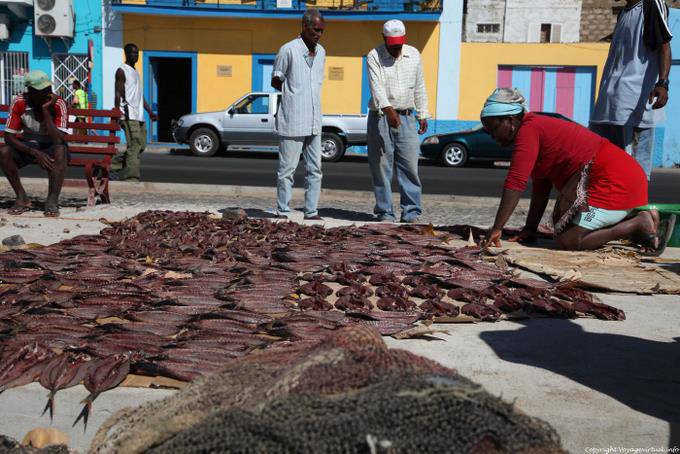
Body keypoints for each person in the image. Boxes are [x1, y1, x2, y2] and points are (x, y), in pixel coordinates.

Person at [480, 88, 674, 255]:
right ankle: (633, 216)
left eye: (494, 128)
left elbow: (515, 182)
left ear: (511, 119)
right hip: (619, 175)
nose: (492, 136)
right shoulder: (535, 127)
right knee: (562, 228)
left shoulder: (529, 130)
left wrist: (497, 228)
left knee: (570, 240)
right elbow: (541, 187)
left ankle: (636, 224)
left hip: (614, 180)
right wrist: (530, 228)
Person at [590, 0, 672, 180]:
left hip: (635, 100)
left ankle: (637, 205)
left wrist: (663, 83)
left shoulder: (651, 5)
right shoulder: (623, 13)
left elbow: (664, 47)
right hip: (609, 101)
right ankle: (613, 205)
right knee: (606, 162)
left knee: (634, 165)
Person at [366, 19, 429, 223]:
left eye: (399, 43)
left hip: (408, 116)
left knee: (409, 166)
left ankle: (411, 211)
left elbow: (419, 86)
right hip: (382, 117)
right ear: (384, 38)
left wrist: (422, 114)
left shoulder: (414, 55)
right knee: (381, 166)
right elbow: (377, 88)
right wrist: (389, 110)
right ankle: (385, 212)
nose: (396, 47)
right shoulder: (374, 56)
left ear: (404, 39)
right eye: (392, 43)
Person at [271, 9, 326, 221]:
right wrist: (293, 93)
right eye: (315, 29)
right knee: (287, 170)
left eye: (322, 30)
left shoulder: (321, 51)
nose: (319, 34)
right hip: (293, 117)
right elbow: (276, 80)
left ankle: (311, 211)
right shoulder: (288, 50)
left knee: (315, 169)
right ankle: (283, 210)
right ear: (304, 26)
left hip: (314, 119)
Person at [0, 70, 69, 217]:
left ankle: (51, 201)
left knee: (60, 151)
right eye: (42, 90)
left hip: (52, 145)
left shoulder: (58, 104)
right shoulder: (19, 102)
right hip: (29, 145)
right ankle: (22, 198)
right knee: (4, 152)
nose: (48, 93)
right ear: (30, 92)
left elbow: (58, 139)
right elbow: (9, 137)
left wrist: (46, 111)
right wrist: (35, 153)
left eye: (48, 89)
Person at [111, 43, 157, 182]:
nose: (135, 55)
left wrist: (150, 112)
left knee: (140, 146)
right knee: (134, 145)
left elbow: (138, 95)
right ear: (126, 53)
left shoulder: (136, 72)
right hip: (128, 114)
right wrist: (117, 112)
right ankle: (131, 177)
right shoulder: (122, 70)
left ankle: (110, 166)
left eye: (137, 53)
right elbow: (118, 93)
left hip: (139, 115)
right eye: (132, 53)